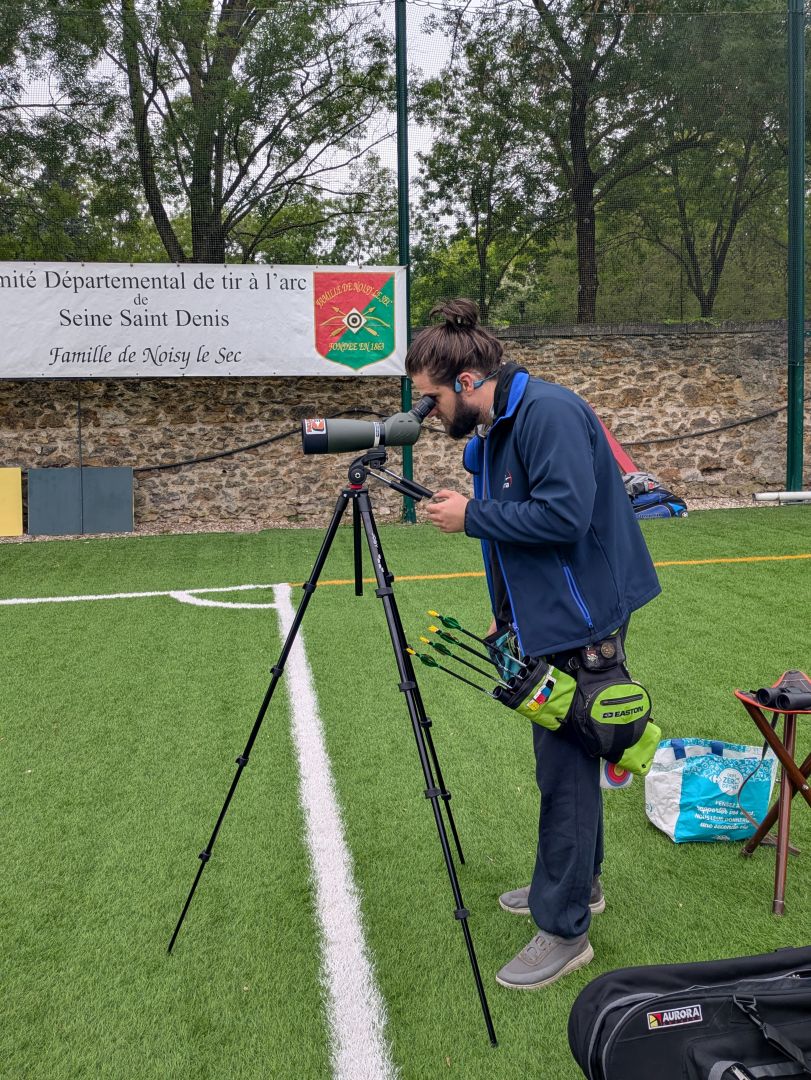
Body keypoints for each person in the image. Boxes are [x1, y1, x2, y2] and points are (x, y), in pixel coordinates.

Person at [406, 299, 661, 990]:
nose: (427, 412)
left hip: (584, 615)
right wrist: (507, 616)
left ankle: (564, 928)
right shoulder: (496, 427)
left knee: (566, 769)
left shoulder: (547, 413)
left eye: (430, 398)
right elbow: (509, 535)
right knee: (572, 753)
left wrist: (472, 514)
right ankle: (581, 884)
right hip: (546, 614)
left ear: (465, 381)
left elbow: (562, 516)